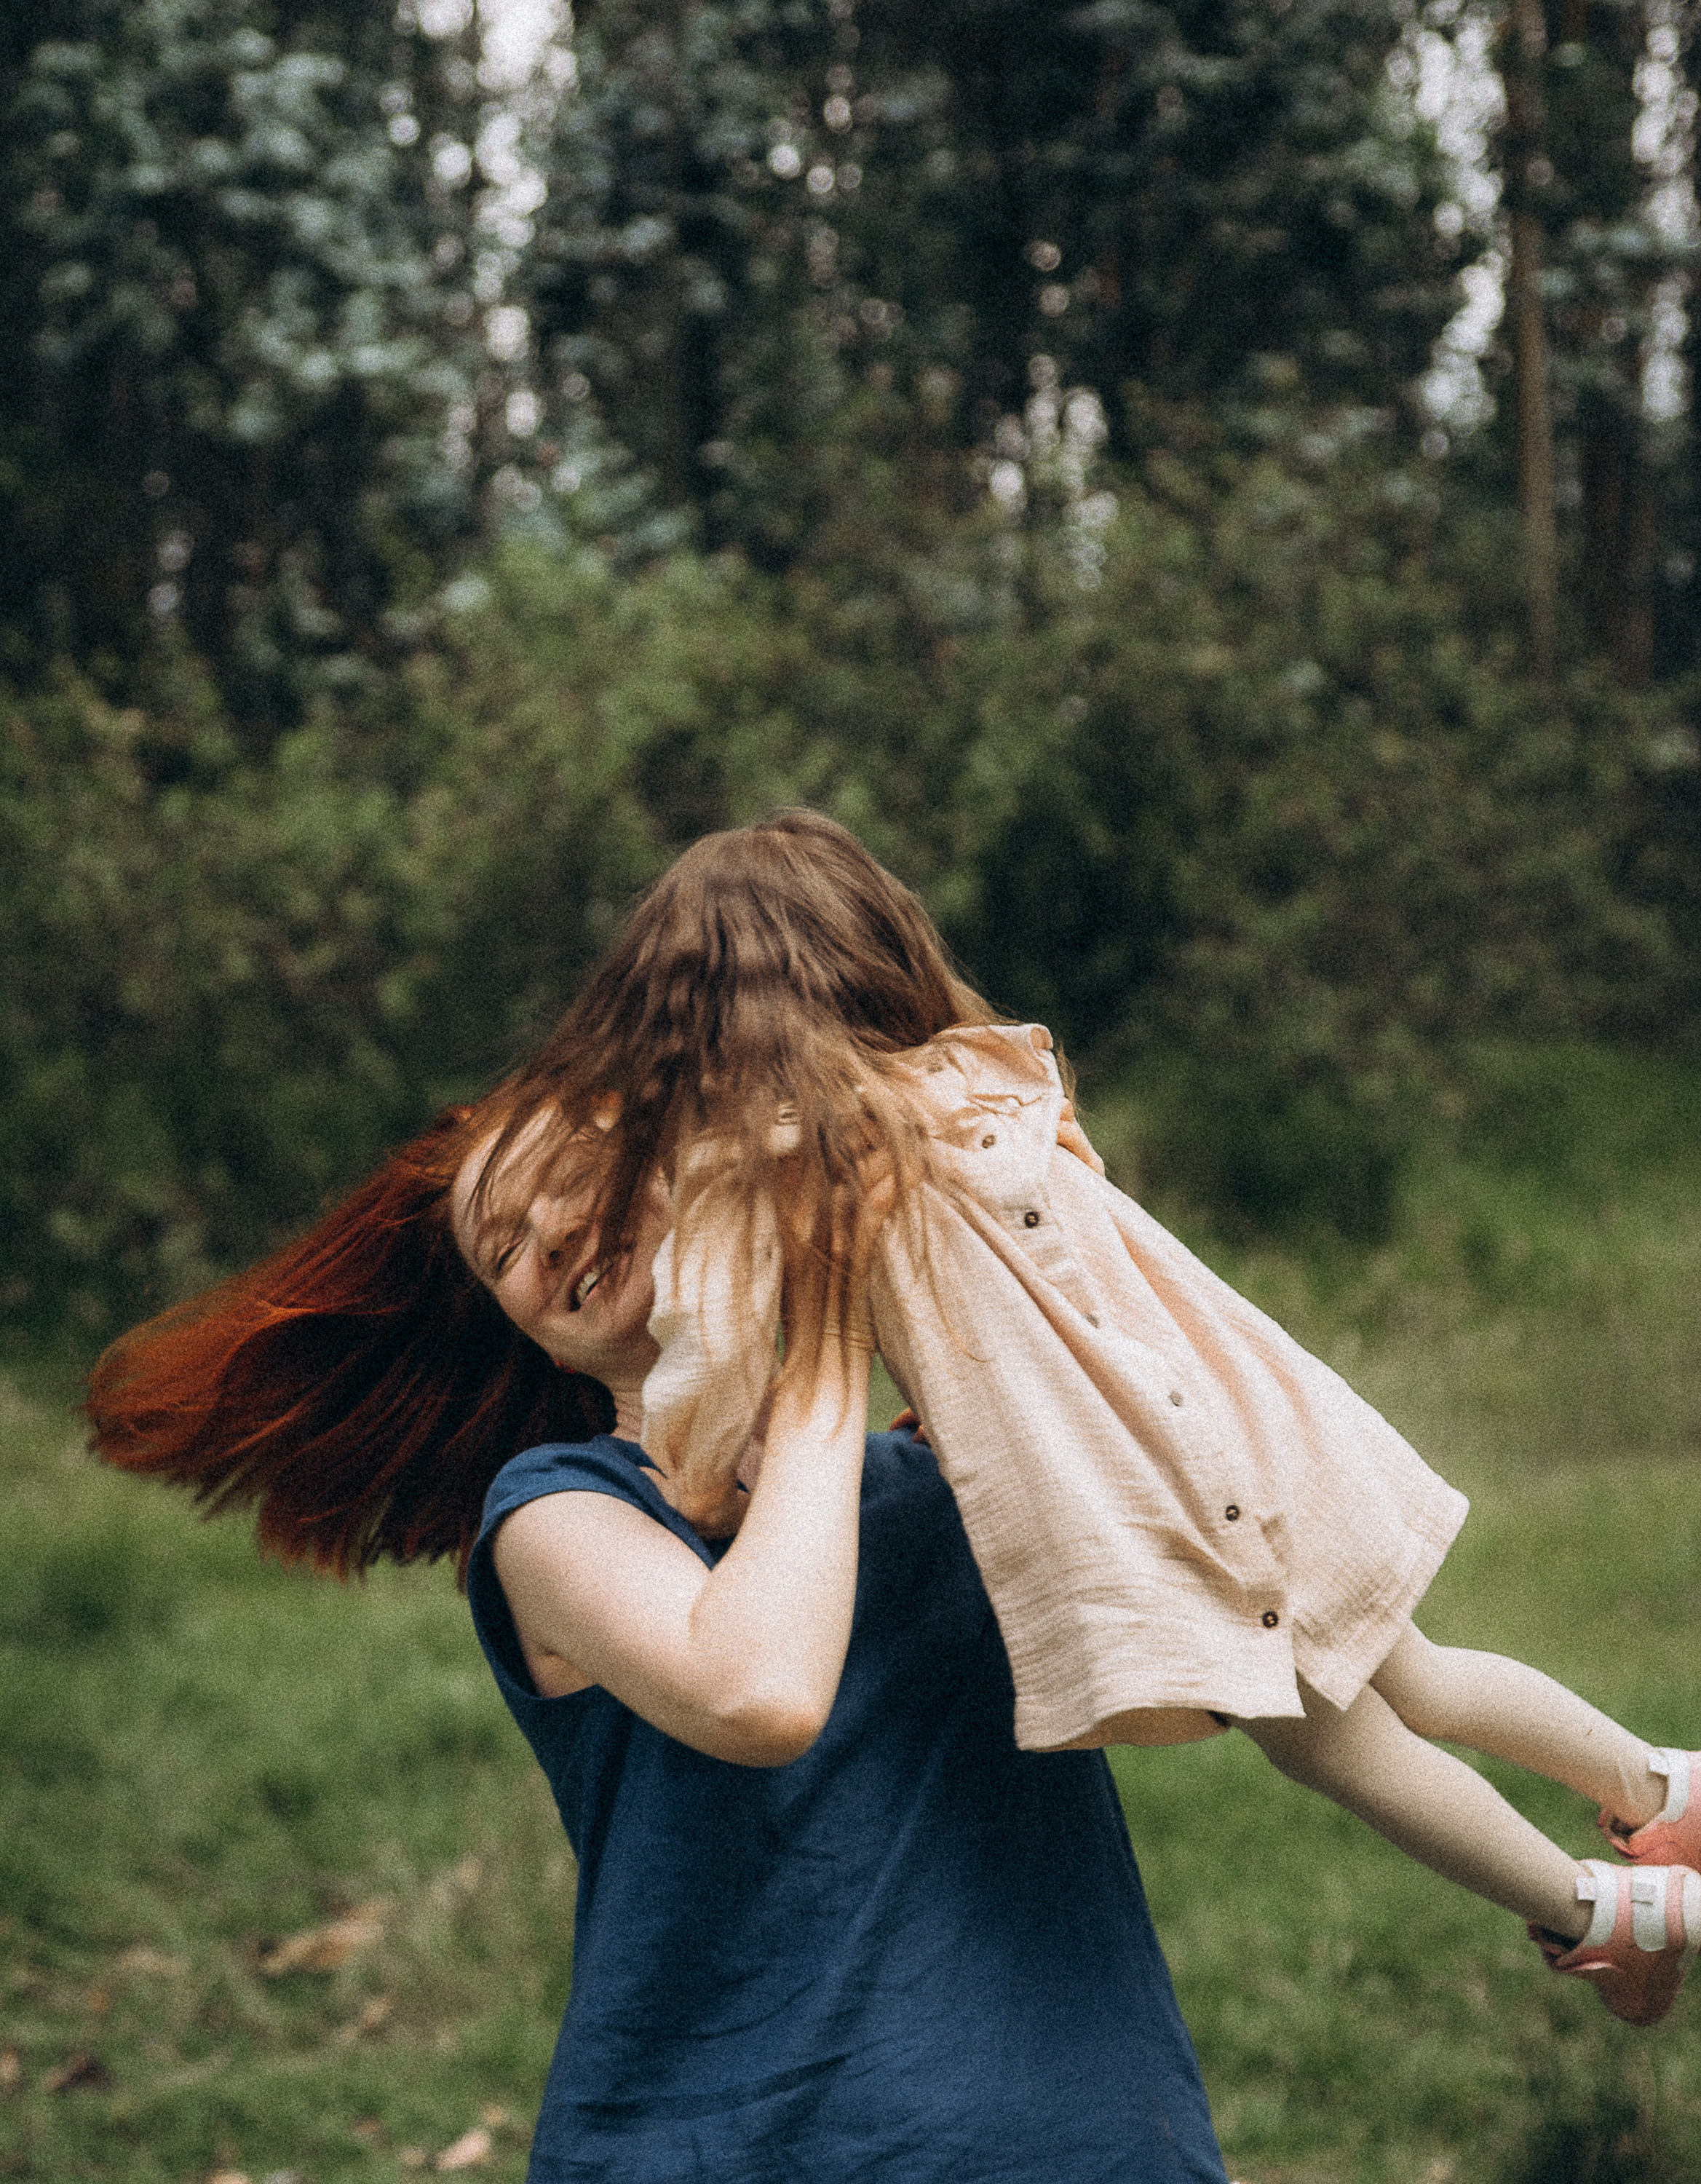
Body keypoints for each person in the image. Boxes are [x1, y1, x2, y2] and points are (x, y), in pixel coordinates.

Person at [451, 811, 1701, 2030]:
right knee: (1419, 1670)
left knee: (1327, 1747)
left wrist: (702, 1477)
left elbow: (715, 1356)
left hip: (1149, 1485)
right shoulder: (983, 1073)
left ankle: (1606, 1910)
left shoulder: (772, 1171)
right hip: (1234, 1418)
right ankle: (1660, 1783)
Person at [84, 944, 1237, 2180]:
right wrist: (827, 1318)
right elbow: (761, 1690)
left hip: (1090, 2139)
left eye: (572, 1183)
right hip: (734, 2149)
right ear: (519, 1324)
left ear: (690, 1174)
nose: (550, 1240)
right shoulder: (558, 1519)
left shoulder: (946, 1482)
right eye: (505, 1250)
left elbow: (1221, 1657)